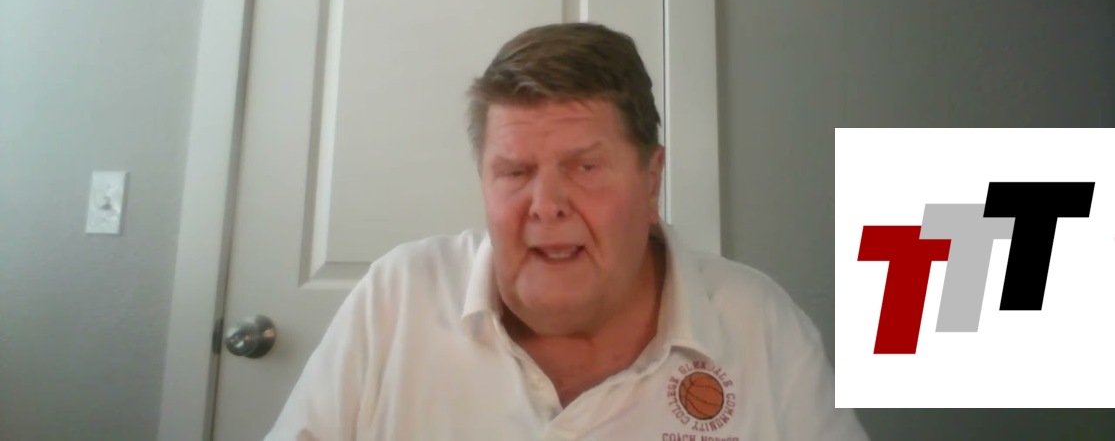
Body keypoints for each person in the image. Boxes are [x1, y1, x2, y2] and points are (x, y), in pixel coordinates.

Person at [266, 22, 868, 440]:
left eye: (585, 168)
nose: (547, 206)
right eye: (515, 172)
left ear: (651, 180)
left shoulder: (757, 322)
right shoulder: (399, 295)